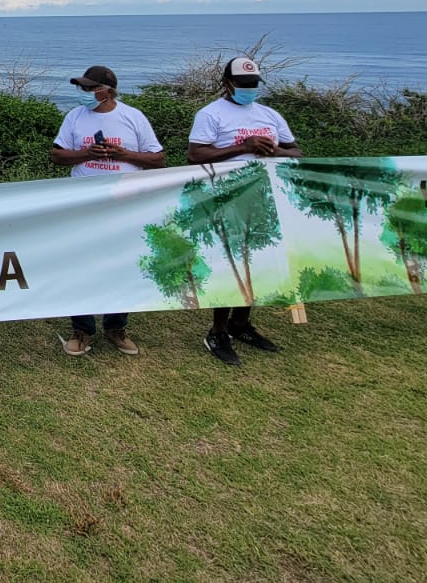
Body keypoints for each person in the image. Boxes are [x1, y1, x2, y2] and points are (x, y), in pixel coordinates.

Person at [186, 56, 303, 366]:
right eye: (244, 85)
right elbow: (196, 154)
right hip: (227, 199)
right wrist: (243, 147)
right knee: (231, 264)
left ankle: (241, 323)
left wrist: (275, 151)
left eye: (254, 85)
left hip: (265, 198)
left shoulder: (270, 115)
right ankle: (218, 331)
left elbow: (296, 152)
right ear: (228, 84)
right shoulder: (211, 115)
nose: (250, 89)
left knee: (257, 260)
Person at [49, 66, 166, 357]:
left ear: (109, 91)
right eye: (83, 88)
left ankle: (116, 327)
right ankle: (82, 329)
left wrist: (124, 155)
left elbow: (159, 159)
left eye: (91, 89)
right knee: (81, 266)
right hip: (83, 205)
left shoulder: (133, 117)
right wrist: (87, 154)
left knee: (121, 265)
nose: (85, 94)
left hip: (124, 206)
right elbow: (57, 155)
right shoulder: (74, 117)